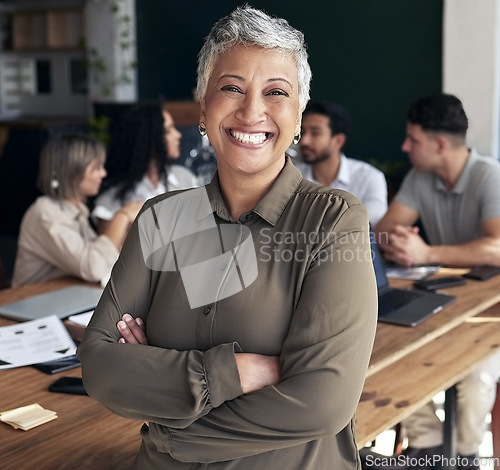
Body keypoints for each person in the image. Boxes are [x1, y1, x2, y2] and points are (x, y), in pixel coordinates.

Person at [78, 6, 377, 469]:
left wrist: (167, 427)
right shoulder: (161, 217)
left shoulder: (333, 222)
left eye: (276, 92)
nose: (251, 111)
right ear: (203, 108)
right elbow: (99, 365)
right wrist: (237, 372)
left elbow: (321, 401)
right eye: (231, 87)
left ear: (298, 118)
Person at [371, 93, 500, 469]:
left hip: (489, 314)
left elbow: (497, 247)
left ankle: (465, 458)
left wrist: (427, 253)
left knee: (476, 374)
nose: (404, 147)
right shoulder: (420, 177)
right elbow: (383, 231)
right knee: (395, 352)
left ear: (440, 144)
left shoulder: (489, 176)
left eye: (413, 139)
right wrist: (399, 243)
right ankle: (427, 448)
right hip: (445, 301)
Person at [12, 134, 142, 287]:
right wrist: (122, 216)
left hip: (64, 298)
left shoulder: (77, 209)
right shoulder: (46, 213)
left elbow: (103, 260)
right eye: (96, 168)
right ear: (73, 173)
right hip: (31, 303)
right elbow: (93, 267)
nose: (103, 173)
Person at [92, 102, 197, 234]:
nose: (178, 135)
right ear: (151, 140)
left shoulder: (184, 178)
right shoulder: (114, 196)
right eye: (169, 130)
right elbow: (107, 250)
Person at [296, 100, 388, 226]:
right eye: (303, 132)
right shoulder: (293, 177)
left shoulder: (370, 178)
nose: (304, 140)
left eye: (315, 133)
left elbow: (368, 224)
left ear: (338, 141)